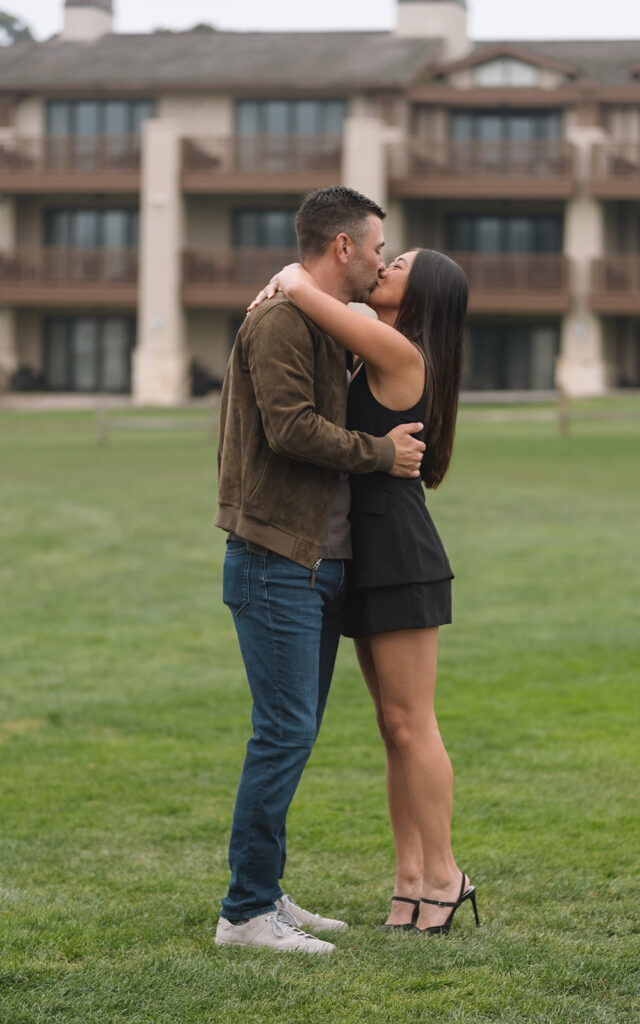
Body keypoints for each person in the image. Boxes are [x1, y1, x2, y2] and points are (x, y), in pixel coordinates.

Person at [213, 186, 426, 954]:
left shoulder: (318, 317)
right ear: (342, 246)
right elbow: (291, 428)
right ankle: (244, 914)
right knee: (281, 735)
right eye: (375, 246)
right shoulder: (278, 321)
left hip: (317, 563)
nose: (379, 258)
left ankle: (264, 893)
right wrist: (382, 454)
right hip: (276, 560)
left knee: (290, 736)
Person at [248, 246, 480, 936]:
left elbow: (313, 296)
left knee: (413, 723)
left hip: (399, 554)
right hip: (364, 552)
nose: (384, 266)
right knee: (391, 730)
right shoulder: (373, 342)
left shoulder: (399, 352)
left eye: (400, 264)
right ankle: (409, 880)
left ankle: (443, 874)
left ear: (422, 297)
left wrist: (291, 275)